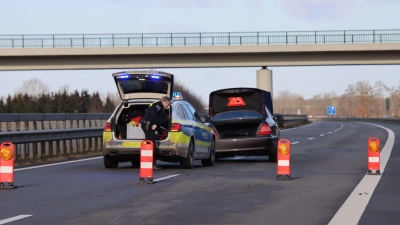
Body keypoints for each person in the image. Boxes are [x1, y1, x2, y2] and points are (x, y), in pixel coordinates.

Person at [141, 96, 171, 170]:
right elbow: (153, 114)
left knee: (150, 143)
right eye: (168, 104)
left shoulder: (157, 105)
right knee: (151, 144)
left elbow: (158, 117)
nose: (168, 106)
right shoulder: (159, 105)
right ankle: (151, 164)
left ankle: (149, 163)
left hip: (147, 124)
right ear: (165, 102)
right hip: (148, 125)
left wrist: (159, 129)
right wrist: (155, 123)